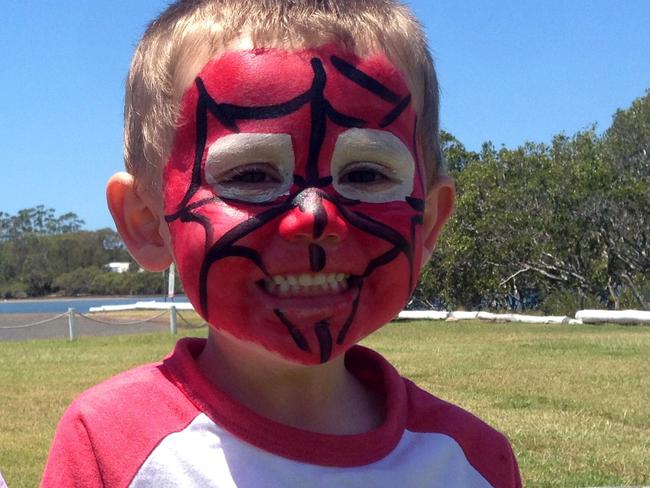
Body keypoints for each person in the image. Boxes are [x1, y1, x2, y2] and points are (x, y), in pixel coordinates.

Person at [42, 1, 521, 486]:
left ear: (430, 222)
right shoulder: (108, 444)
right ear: (146, 222)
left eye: (366, 173)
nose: (314, 217)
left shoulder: (473, 462)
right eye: (250, 174)